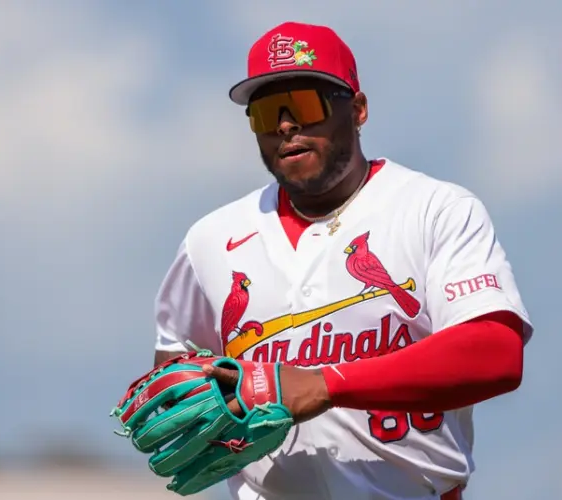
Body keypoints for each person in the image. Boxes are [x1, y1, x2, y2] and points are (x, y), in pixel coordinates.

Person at [152, 21, 532, 500]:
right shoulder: (210, 239)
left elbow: (495, 353)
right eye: (267, 112)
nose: (286, 125)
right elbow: (174, 369)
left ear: (357, 109)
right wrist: (201, 404)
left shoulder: (433, 208)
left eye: (306, 105)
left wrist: (324, 383)